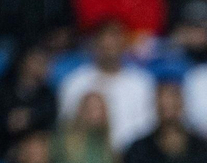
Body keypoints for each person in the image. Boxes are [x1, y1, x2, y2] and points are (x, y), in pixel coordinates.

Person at [58, 19, 158, 151]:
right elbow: (66, 125)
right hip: (86, 155)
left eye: (115, 39)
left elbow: (149, 127)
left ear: (124, 44)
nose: (110, 45)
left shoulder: (142, 83)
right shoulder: (75, 82)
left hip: (133, 155)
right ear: (95, 44)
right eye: (105, 42)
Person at [0, 43, 58, 162]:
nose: (45, 66)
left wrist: (32, 118)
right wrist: (5, 122)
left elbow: (48, 127)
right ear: (23, 61)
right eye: (38, 61)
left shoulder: (48, 96)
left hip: (28, 158)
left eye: (47, 61)